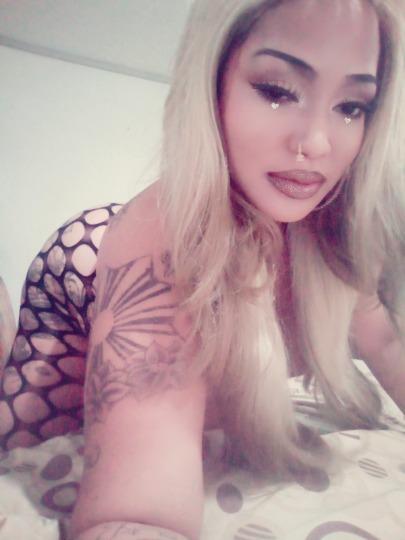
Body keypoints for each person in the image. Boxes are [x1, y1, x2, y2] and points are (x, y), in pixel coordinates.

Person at [2, 0, 405, 539]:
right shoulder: (162, 238)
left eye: (351, 106)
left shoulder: (341, 227)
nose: (316, 143)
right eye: (277, 91)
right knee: (29, 453)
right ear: (212, 85)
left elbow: (384, 339)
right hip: (84, 263)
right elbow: (138, 511)